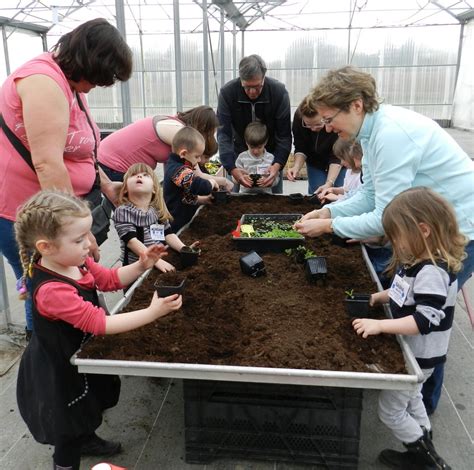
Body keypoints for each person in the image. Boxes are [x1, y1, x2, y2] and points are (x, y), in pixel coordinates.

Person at [294, 65, 474, 414]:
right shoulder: (372, 135)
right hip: (428, 225)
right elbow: (373, 195)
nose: (328, 127)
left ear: (356, 105)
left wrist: (329, 228)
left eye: (331, 118)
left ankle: (421, 408)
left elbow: (384, 216)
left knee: (432, 312)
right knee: (409, 295)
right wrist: (329, 213)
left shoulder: (392, 135)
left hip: (459, 230)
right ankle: (406, 395)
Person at [14, 190, 182, 470]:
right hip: (57, 369)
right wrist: (153, 312)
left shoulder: (75, 261)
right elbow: (99, 323)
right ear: (46, 247)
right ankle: (65, 463)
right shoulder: (52, 290)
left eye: (88, 234)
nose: (89, 243)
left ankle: (87, 438)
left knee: (85, 407)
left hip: (77, 354)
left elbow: (109, 279)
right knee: (66, 427)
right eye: (79, 239)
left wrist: (142, 264)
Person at [0, 18, 132, 336]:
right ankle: (47, 357)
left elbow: (79, 149)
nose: (99, 86)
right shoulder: (42, 81)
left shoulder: (69, 83)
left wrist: (102, 182)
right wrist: (77, 231)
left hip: (60, 213)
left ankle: (71, 349)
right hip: (31, 213)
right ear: (89, 60)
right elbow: (47, 163)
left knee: (67, 282)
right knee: (42, 288)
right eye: (100, 78)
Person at [353, 187, 466, 470]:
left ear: (423, 230)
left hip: (420, 354)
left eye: (396, 237)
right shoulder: (417, 260)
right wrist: (381, 297)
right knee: (414, 400)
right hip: (413, 352)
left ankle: (428, 460)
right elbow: (404, 291)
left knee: (390, 412)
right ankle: (423, 444)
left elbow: (424, 320)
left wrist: (380, 325)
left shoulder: (432, 271)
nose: (394, 244)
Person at [217, 54, 292, 194]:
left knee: (273, 201)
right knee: (235, 202)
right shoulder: (228, 93)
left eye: (257, 87)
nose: (252, 92)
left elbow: (284, 135)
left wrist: (277, 165)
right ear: (241, 79)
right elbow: (223, 134)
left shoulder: (278, 92)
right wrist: (232, 168)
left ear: (264, 77)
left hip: (270, 158)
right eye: (246, 87)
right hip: (239, 157)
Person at [98, 105, 221, 182]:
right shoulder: (178, 131)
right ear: (203, 127)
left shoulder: (174, 124)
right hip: (114, 165)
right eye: (209, 134)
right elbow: (195, 173)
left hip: (113, 163)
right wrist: (221, 181)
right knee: (133, 214)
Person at [113, 163, 199, 272]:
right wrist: (156, 261)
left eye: (145, 175)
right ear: (125, 189)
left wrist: (184, 249)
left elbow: (168, 234)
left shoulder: (156, 210)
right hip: (136, 269)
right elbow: (132, 242)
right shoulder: (123, 211)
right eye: (133, 175)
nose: (139, 176)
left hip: (158, 261)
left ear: (154, 188)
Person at [163, 127, 219, 232]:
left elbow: (183, 196)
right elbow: (197, 186)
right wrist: (211, 183)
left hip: (184, 218)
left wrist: (202, 200)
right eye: (197, 156)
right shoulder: (177, 170)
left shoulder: (178, 167)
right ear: (183, 154)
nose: (199, 160)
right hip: (177, 223)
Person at [287, 96, 343, 195]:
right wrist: (296, 167)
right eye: (308, 124)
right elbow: (301, 146)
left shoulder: (336, 120)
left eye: (318, 124)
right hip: (315, 162)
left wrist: (329, 183)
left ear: (326, 116)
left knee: (338, 194)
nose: (313, 129)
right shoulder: (299, 117)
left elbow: (337, 156)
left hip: (339, 161)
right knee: (317, 194)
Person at [234, 122, 278, 194]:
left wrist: (268, 181)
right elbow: (234, 178)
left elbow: (276, 178)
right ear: (246, 143)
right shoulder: (242, 157)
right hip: (245, 196)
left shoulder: (271, 158)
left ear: (265, 142)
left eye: (259, 147)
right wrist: (241, 178)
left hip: (266, 197)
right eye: (252, 147)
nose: (255, 151)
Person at [318, 138, 362, 203]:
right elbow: (347, 190)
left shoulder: (361, 176)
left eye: (343, 158)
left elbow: (359, 198)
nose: (341, 162)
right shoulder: (349, 171)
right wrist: (333, 190)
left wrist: (337, 198)